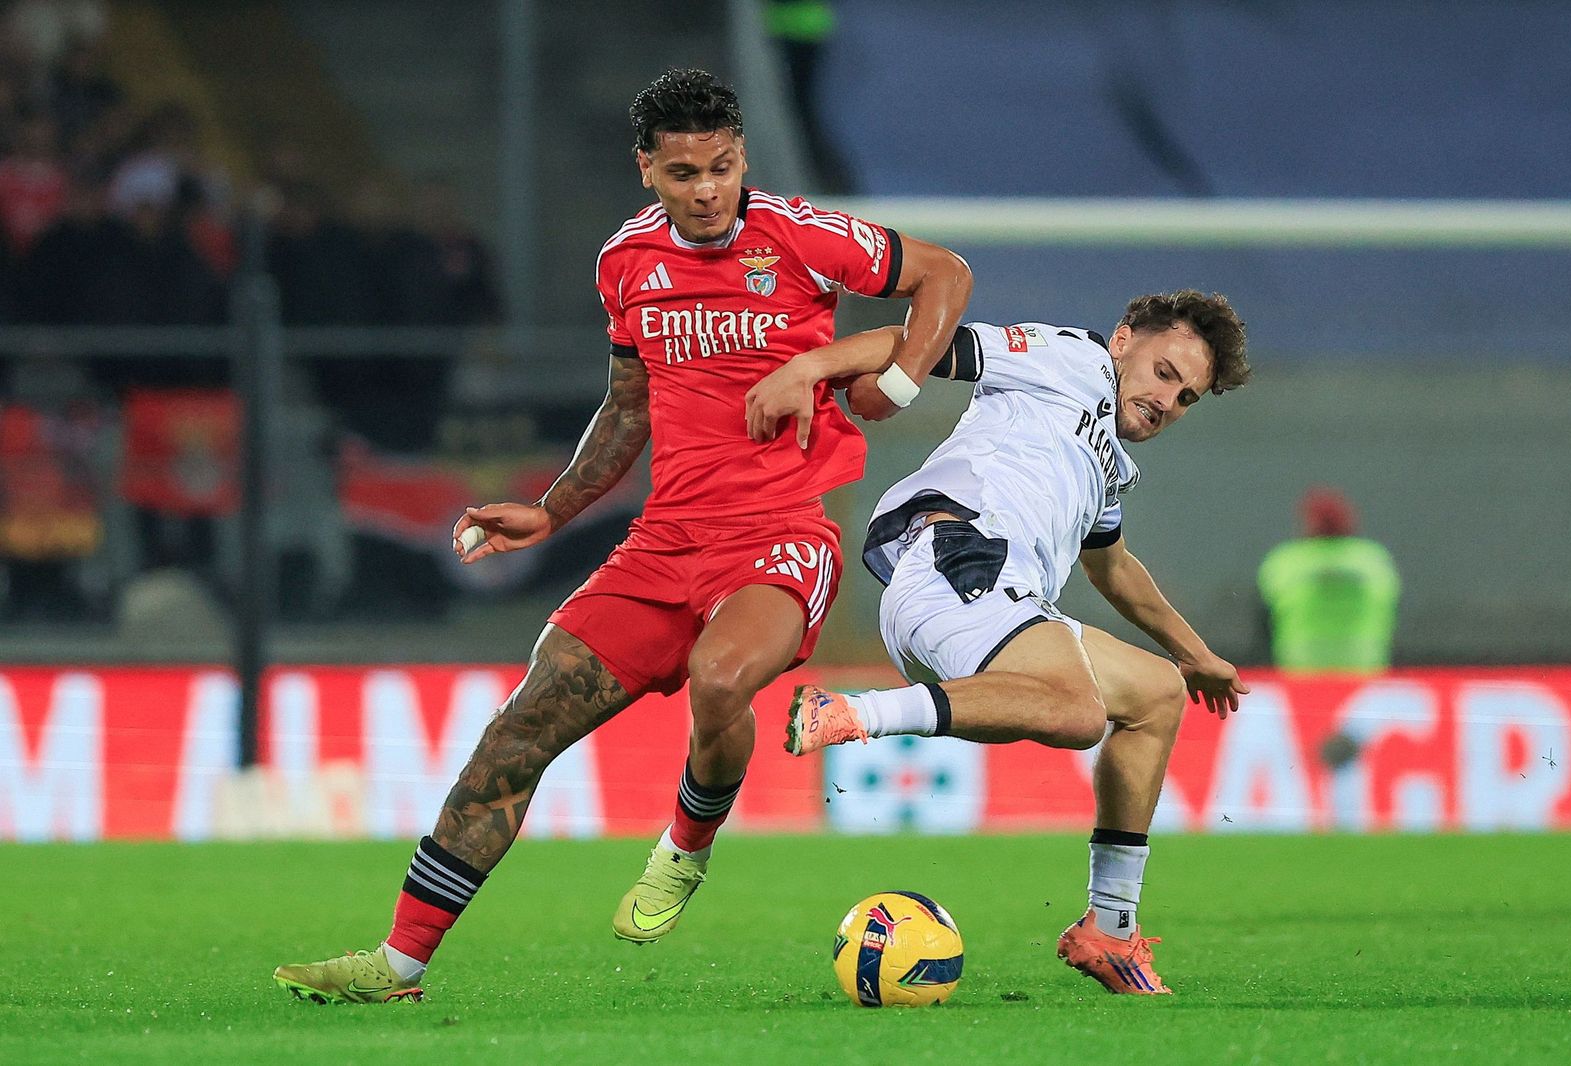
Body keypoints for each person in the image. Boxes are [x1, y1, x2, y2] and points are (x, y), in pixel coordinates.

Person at [272, 68, 971, 1003]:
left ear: (741, 158)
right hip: (659, 545)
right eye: (684, 172)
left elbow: (945, 275)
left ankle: (686, 845)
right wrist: (554, 509)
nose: (707, 190)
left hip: (778, 535)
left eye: (722, 167)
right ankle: (397, 965)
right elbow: (628, 402)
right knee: (514, 738)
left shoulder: (801, 235)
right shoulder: (625, 261)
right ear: (647, 168)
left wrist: (900, 380)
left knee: (724, 679)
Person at [776, 291, 1251, 996]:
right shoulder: (1069, 358)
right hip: (957, 556)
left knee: (1153, 695)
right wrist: (808, 368)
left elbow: (1111, 564)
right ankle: (854, 713)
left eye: (1187, 397)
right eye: (1163, 371)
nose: (1167, 400)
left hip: (1000, 603)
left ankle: (1111, 931)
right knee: (1079, 713)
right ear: (1123, 339)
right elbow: (921, 342)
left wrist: (1194, 653)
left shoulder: (1108, 462)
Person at [1258, 486, 1399, 674]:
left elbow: (1264, 612)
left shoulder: (1286, 560)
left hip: (1302, 668)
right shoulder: (1372, 558)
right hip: (1361, 667)